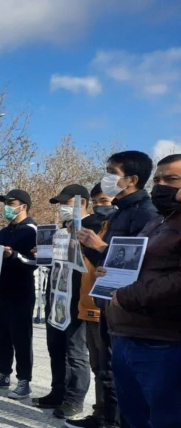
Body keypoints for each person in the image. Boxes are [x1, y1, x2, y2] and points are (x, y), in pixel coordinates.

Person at [71, 150, 157, 428]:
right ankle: (104, 416)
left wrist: (100, 248)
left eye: (112, 172)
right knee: (107, 368)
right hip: (108, 300)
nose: (106, 178)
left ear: (132, 179)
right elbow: (107, 262)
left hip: (129, 306)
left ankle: (116, 420)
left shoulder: (145, 214)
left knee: (124, 372)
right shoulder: (119, 214)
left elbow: (143, 265)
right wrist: (89, 249)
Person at [101, 153, 181, 428]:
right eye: (158, 179)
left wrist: (126, 296)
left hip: (163, 342)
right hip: (126, 335)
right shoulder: (156, 222)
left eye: (171, 179)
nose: (160, 185)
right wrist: (110, 274)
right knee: (133, 419)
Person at [32, 185, 101, 420]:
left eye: (66, 203)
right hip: (57, 295)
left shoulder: (96, 227)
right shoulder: (64, 229)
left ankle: (74, 399)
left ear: (82, 202)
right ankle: (57, 391)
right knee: (55, 348)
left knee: (76, 352)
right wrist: (43, 253)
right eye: (60, 204)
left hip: (78, 299)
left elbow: (96, 260)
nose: (62, 208)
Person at [0, 189, 38, 400]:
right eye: (4, 203)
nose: (6, 206)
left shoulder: (32, 230)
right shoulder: (4, 231)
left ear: (23, 206)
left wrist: (14, 255)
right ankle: (3, 373)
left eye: (10, 203)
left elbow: (36, 261)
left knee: (21, 337)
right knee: (0, 335)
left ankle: (24, 380)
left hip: (20, 291)